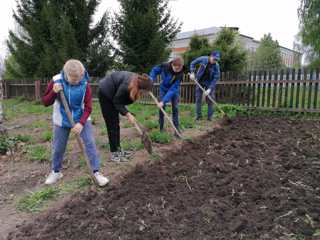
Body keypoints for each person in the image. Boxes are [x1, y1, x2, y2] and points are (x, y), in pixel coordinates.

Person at [42, 59, 109, 187]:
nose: (77, 81)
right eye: (73, 79)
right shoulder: (56, 81)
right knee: (58, 147)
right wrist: (53, 92)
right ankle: (56, 172)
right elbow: (45, 102)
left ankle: (96, 172)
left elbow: (89, 107)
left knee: (90, 144)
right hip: (61, 120)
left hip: (81, 118)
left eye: (78, 78)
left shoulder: (85, 84)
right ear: (65, 74)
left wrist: (81, 123)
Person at [98, 71, 153, 162]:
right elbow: (117, 102)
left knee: (116, 124)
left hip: (114, 95)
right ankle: (114, 154)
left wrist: (128, 113)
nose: (146, 94)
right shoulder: (127, 85)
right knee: (112, 125)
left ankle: (118, 149)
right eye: (146, 91)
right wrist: (128, 114)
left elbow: (121, 100)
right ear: (141, 88)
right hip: (106, 94)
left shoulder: (136, 82)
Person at [149, 57, 184, 133]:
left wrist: (164, 101)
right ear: (172, 65)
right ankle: (161, 128)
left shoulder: (180, 74)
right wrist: (151, 78)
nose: (177, 71)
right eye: (176, 69)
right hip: (163, 89)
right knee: (161, 108)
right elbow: (155, 70)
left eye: (179, 69)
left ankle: (176, 128)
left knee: (175, 108)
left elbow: (173, 89)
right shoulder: (165, 66)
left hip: (173, 91)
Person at [190, 51, 221, 121]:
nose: (215, 61)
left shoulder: (216, 66)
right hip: (200, 81)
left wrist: (210, 89)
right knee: (198, 98)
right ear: (211, 56)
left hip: (209, 83)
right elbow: (193, 63)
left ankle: (210, 117)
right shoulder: (203, 59)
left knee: (211, 99)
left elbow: (216, 78)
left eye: (216, 60)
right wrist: (192, 72)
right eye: (214, 59)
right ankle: (198, 116)